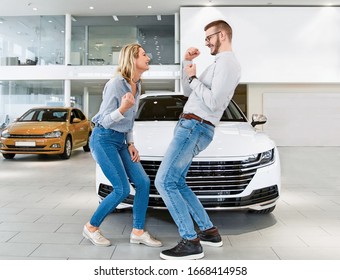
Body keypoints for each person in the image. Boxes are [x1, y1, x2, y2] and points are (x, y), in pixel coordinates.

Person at [155, 20, 241, 260]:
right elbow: (187, 92)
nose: (206, 43)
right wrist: (187, 65)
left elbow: (213, 102)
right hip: (191, 125)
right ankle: (208, 232)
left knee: (164, 181)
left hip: (195, 126)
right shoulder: (218, 64)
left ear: (222, 35)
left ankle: (190, 241)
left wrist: (194, 79)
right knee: (178, 182)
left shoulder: (228, 64)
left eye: (209, 38)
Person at [83, 43, 162, 248]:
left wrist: (131, 143)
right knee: (121, 189)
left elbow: (129, 120)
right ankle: (91, 228)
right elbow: (105, 121)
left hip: (120, 141)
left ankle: (137, 231)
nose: (148, 58)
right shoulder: (116, 84)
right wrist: (123, 107)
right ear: (132, 59)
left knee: (143, 183)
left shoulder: (137, 84)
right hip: (103, 138)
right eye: (144, 55)